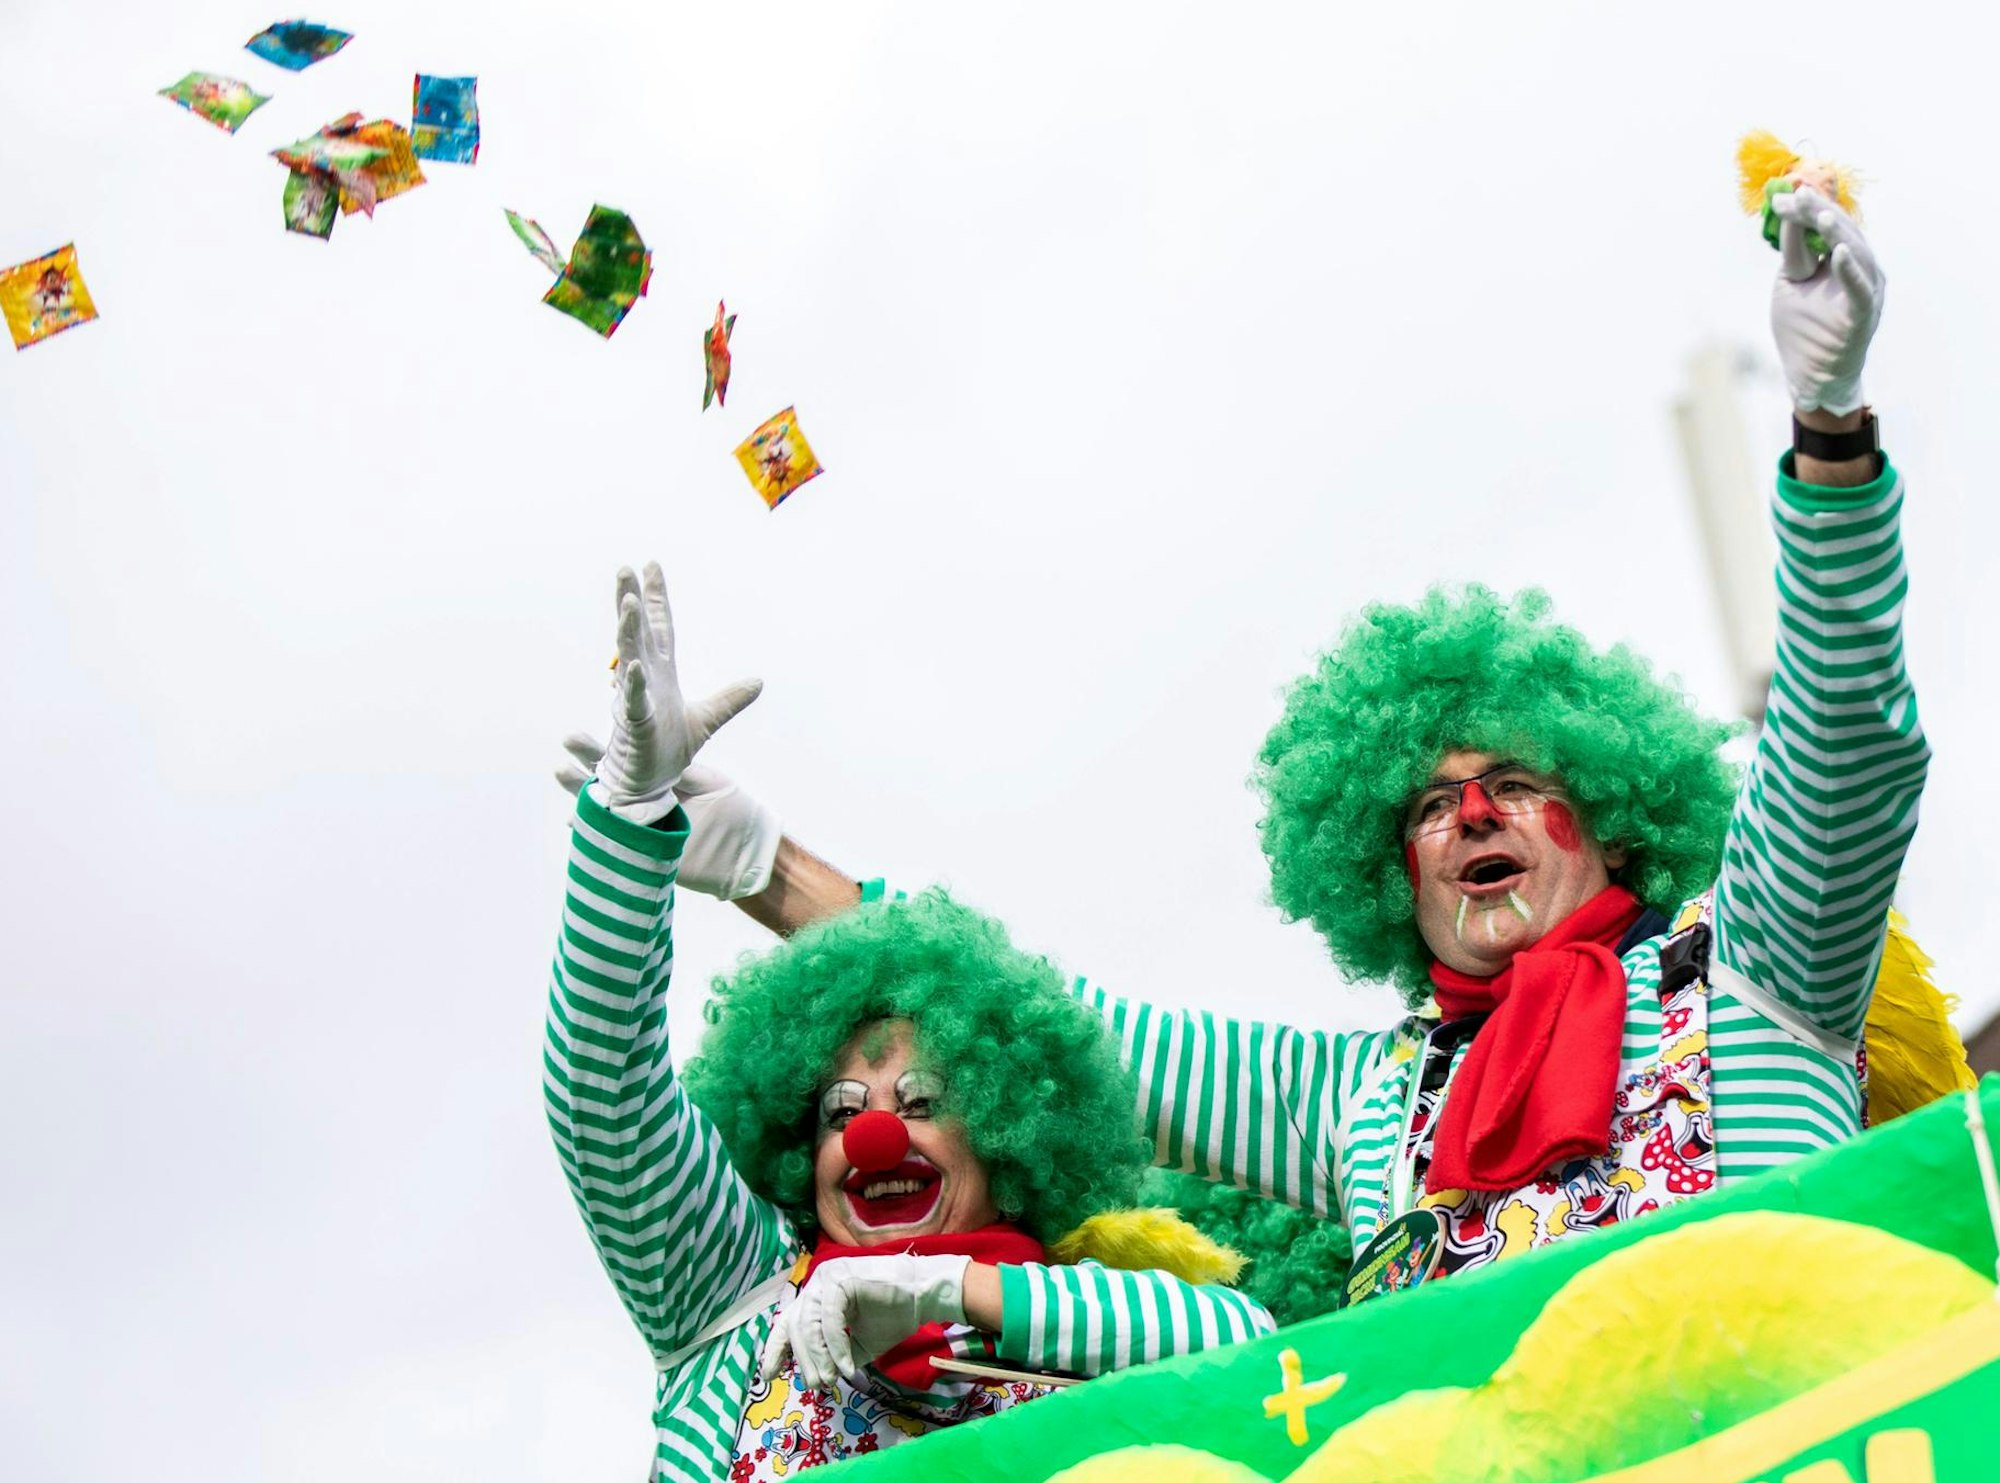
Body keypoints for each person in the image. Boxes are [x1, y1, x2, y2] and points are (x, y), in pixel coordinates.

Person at [565, 183, 1954, 1291]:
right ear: (1387, 873)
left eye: (1514, 785)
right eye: (1429, 807)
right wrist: (764, 869)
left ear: (1607, 812)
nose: (1470, 817)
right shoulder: (1359, 1101)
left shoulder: (1757, 961)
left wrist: (1830, 437)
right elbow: (1054, 1023)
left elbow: (1844, 737)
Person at [545, 566, 1274, 1483]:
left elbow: (1244, 1342)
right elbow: (600, 1093)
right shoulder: (734, 1297)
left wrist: (954, 1289)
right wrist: (629, 821)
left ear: (1006, 1135)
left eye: (923, 1102)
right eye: (839, 1111)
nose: (875, 1135)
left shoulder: (1090, 1322)